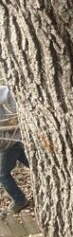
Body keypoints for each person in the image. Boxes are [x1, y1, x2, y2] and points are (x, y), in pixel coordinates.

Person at [0, 84, 30, 214]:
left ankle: (19, 200)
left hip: (9, 142)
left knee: (2, 174)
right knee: (32, 164)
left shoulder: (4, 92)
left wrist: (17, 114)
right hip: (9, 143)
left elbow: (8, 91)